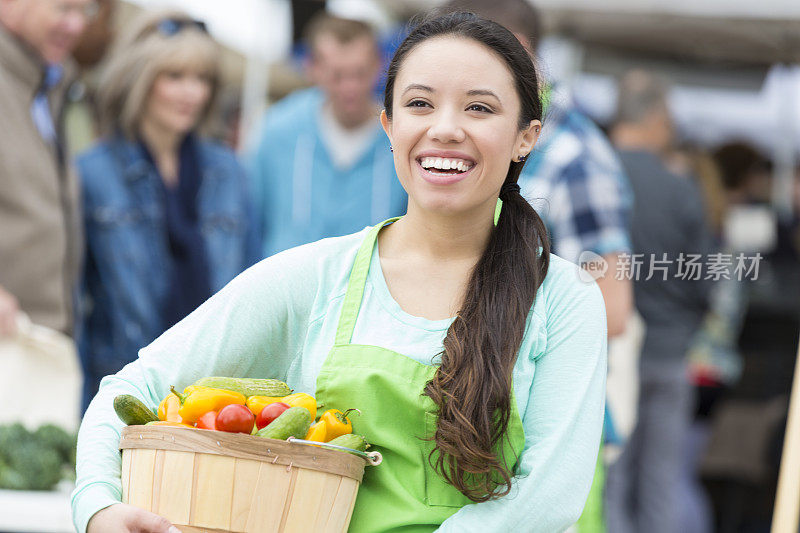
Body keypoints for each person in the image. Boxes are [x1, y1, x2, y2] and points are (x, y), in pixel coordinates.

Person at [73, 12, 606, 533]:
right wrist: (98, 505)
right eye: (419, 103)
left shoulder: (564, 299)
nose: (445, 129)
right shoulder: (316, 276)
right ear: (389, 126)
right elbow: (132, 387)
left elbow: (549, 496)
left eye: (479, 108)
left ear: (525, 137)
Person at [74, 11, 260, 412]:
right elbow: (77, 301)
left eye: (202, 79)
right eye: (174, 77)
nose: (192, 93)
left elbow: (250, 292)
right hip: (121, 389)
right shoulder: (93, 173)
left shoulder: (228, 171)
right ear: (138, 79)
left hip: (212, 398)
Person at [603, 70, 711, 533]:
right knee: (660, 485)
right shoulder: (679, 187)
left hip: (604, 350)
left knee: (608, 479)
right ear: (656, 117)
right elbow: (706, 281)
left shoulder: (593, 171)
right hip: (667, 353)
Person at [247, 14, 408, 257]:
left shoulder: (402, 135)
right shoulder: (278, 130)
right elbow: (249, 220)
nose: (350, 87)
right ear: (311, 68)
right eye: (337, 76)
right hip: (288, 288)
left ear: (379, 65)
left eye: (360, 74)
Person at [0, 0, 96, 338]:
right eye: (63, 8)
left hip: (39, 342)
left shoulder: (52, 85)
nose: (76, 25)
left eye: (85, 10)